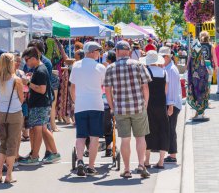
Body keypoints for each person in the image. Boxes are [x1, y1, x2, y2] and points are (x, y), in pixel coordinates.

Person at [104, 40, 152, 179]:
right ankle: (141, 165)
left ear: (117, 52)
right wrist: (145, 103)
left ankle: (126, 169)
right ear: (129, 51)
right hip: (138, 107)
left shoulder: (111, 68)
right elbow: (145, 87)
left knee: (125, 140)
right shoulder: (138, 65)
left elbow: (107, 90)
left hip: (121, 109)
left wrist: (112, 107)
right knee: (140, 138)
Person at [69, 42, 106, 176]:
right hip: (96, 104)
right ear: (90, 52)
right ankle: (91, 165)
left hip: (81, 105)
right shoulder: (101, 67)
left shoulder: (76, 66)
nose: (99, 53)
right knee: (94, 136)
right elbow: (105, 87)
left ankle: (80, 160)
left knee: (81, 135)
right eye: (98, 51)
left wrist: (75, 101)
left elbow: (72, 88)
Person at [19, 47, 61, 165]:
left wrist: (27, 82)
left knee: (38, 129)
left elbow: (42, 90)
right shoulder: (39, 69)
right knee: (42, 129)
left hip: (40, 104)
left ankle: (35, 157)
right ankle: (53, 153)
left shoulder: (40, 70)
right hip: (40, 104)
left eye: (26, 60)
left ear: (33, 58)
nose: (26, 63)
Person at [0, 53, 24, 184]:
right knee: (12, 144)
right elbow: (22, 98)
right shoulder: (16, 80)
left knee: (3, 144)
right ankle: (9, 175)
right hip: (15, 112)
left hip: (1, 112)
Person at [139, 50, 169, 169]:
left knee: (148, 130)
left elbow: (144, 89)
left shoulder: (146, 71)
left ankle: (147, 161)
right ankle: (161, 161)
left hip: (149, 104)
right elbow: (165, 91)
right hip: (161, 104)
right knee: (163, 130)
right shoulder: (164, 72)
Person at [159, 47, 183, 163]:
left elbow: (172, 90)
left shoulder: (171, 70)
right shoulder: (168, 68)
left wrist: (171, 105)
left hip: (172, 103)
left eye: (162, 57)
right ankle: (171, 153)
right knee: (169, 128)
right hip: (171, 103)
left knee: (171, 129)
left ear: (167, 57)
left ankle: (173, 155)